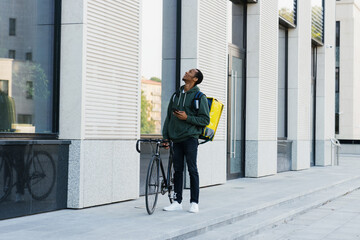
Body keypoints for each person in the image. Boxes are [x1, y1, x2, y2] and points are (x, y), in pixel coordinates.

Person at [162, 68, 210, 213]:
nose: (186, 73)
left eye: (190, 72)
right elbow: (168, 117)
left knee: (192, 169)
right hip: (176, 139)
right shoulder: (176, 95)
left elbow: (205, 119)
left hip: (190, 138)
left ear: (195, 79)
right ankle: (177, 201)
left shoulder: (199, 96)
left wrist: (187, 118)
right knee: (177, 170)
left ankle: (194, 202)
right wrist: (165, 137)